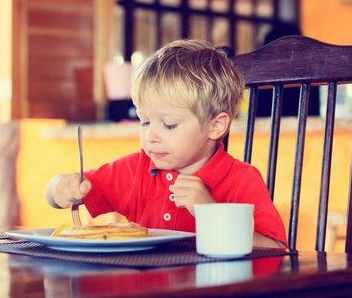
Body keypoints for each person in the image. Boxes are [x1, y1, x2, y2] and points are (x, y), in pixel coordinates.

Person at [45, 39, 287, 249]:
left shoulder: (242, 180)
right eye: (144, 121)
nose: (151, 137)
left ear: (215, 126)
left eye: (169, 125)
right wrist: (59, 188)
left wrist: (210, 212)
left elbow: (276, 249)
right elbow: (72, 191)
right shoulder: (136, 169)